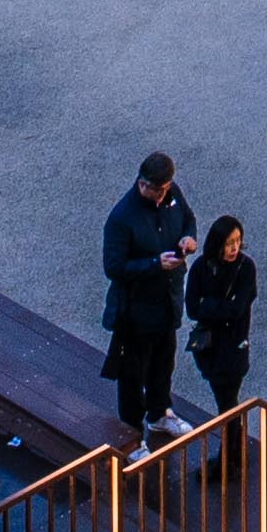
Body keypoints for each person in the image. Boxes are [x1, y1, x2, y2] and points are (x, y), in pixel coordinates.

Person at [96, 154, 189, 435]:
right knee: (132, 375)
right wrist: (153, 264)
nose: (162, 196)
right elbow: (113, 267)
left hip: (166, 301)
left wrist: (188, 237)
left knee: (164, 362)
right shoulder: (122, 218)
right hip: (135, 312)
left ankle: (160, 413)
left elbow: (188, 219)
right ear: (143, 184)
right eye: (156, 190)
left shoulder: (172, 195)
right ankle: (132, 432)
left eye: (165, 190)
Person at [182, 212, 260, 425]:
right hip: (209, 349)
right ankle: (232, 449)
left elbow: (237, 309)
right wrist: (220, 307)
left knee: (227, 402)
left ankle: (232, 451)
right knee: (225, 402)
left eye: (237, 241)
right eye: (229, 243)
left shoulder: (245, 268)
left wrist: (207, 304)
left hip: (233, 347)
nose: (235, 248)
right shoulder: (201, 267)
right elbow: (191, 308)